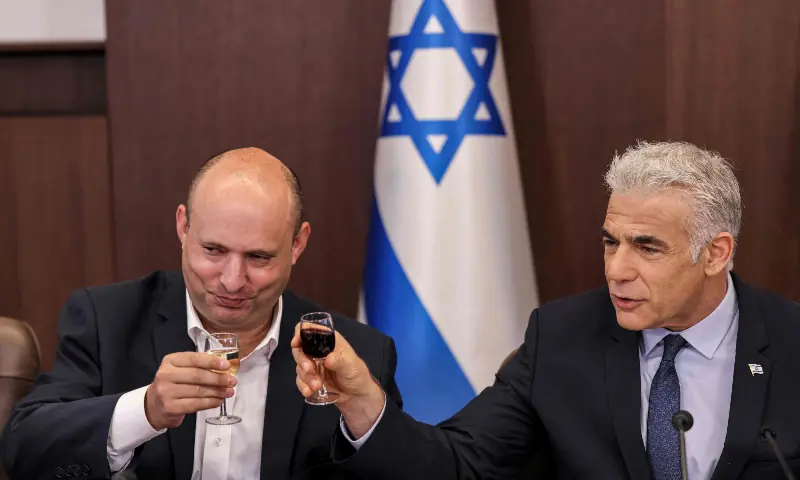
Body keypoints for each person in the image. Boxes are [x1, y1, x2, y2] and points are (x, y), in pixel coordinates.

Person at [293, 141, 800, 479]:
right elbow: (457, 464)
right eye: (610, 242)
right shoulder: (561, 339)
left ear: (716, 253)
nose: (616, 270)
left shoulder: (792, 342)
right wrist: (360, 401)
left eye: (647, 248)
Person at [0, 147, 402, 480]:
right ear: (183, 227)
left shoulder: (360, 352)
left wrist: (364, 416)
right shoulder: (107, 319)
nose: (231, 280)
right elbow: (22, 450)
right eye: (213, 250)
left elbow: (399, 470)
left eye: (259, 257)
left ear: (297, 245)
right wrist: (146, 410)